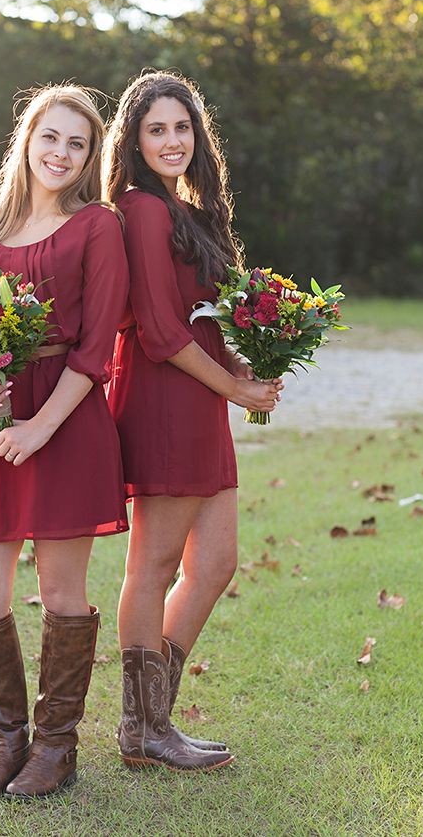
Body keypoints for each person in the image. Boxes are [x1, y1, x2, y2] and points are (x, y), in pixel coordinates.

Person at [0, 84, 129, 798]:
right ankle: (6, 740)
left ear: (88, 158)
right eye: (50, 137)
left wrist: (42, 426)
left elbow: (98, 348)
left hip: (65, 418)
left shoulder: (98, 228)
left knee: (61, 591)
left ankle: (57, 746)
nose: (61, 152)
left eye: (77, 143)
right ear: (26, 139)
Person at [104, 71, 283, 771]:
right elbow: (156, 331)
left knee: (213, 563)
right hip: (164, 399)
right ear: (136, 139)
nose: (172, 140)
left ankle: (150, 721)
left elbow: (199, 319)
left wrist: (244, 365)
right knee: (152, 562)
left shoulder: (189, 208)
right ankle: (143, 728)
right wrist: (234, 393)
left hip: (202, 396)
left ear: (197, 135)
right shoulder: (142, 208)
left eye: (182, 128)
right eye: (158, 130)